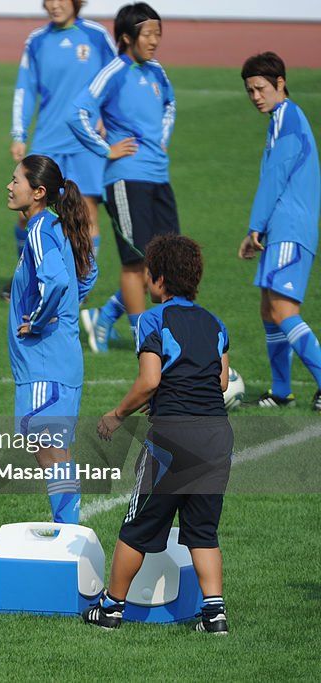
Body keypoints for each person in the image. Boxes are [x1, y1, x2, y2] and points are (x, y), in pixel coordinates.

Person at [88, 234, 233, 634]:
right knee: (203, 530)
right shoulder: (215, 323)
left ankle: (110, 608)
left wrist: (117, 414)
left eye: (149, 273)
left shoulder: (153, 320)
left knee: (138, 526)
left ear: (160, 279)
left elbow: (150, 379)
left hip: (172, 439)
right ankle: (214, 615)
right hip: (217, 436)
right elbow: (220, 382)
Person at [69, 2, 178, 353]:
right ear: (128, 37)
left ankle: (105, 315)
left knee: (167, 262)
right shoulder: (114, 71)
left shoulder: (158, 71)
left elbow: (170, 105)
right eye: (149, 34)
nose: (155, 41)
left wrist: (161, 139)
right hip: (125, 179)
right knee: (137, 261)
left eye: (159, 34)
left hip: (158, 176)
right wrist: (106, 149)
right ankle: (143, 340)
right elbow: (78, 113)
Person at [7, 155, 97, 524]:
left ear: (39, 192)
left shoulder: (40, 228)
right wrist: (68, 306)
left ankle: (68, 532)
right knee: (55, 451)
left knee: (46, 449)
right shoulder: (58, 226)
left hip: (45, 363)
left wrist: (42, 321)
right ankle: (69, 533)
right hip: (58, 363)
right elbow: (87, 274)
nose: (10, 186)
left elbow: (58, 282)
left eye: (16, 181)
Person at [6, 0, 116, 301]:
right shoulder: (37, 41)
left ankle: (81, 287)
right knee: (27, 213)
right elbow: (25, 88)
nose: (54, 5)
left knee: (87, 214)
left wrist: (109, 117)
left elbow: (116, 79)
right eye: (49, 0)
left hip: (87, 142)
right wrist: (19, 133)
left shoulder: (96, 36)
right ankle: (24, 275)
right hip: (48, 141)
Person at [238, 52, 321, 411]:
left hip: (290, 227)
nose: (256, 96)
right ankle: (281, 390)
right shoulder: (280, 119)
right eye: (250, 91)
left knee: (283, 309)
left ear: (280, 84)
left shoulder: (287, 117)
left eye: (260, 88)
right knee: (268, 310)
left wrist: (256, 226)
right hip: (282, 228)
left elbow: (276, 177)